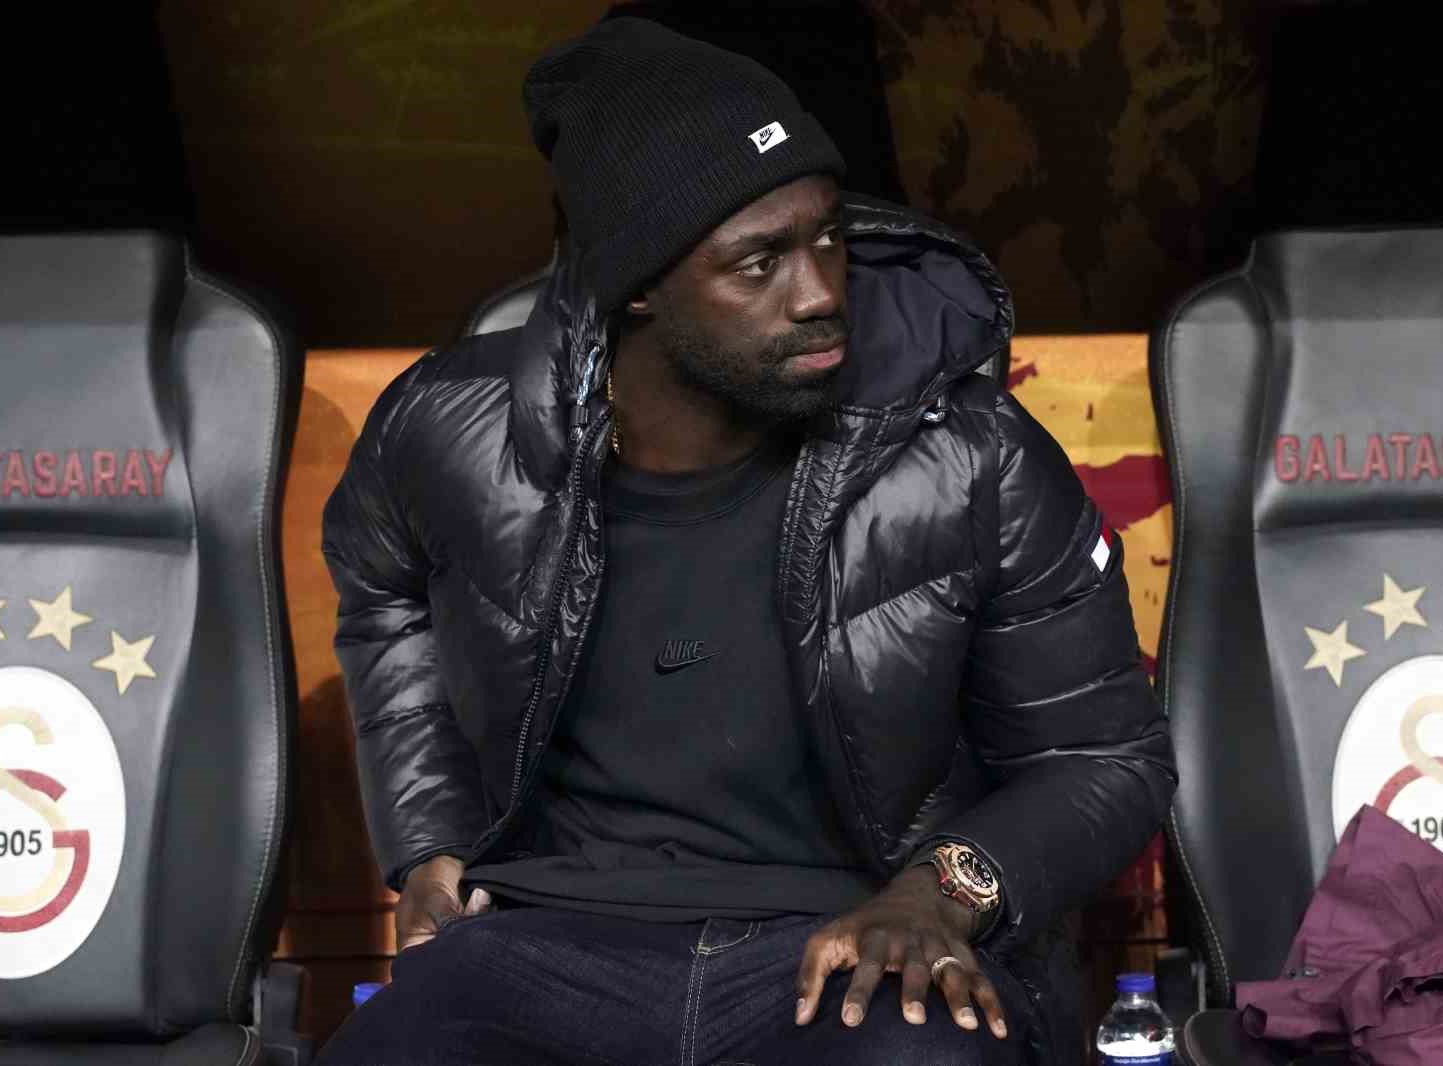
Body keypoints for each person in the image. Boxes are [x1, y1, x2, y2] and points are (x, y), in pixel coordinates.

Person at [317, 17, 1174, 1066]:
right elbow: (383, 589)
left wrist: (942, 889)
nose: (819, 294)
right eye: (759, 262)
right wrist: (428, 843)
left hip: (853, 945)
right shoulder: (446, 431)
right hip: (543, 941)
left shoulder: (970, 452)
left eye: (828, 239)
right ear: (637, 282)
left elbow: (1105, 756)